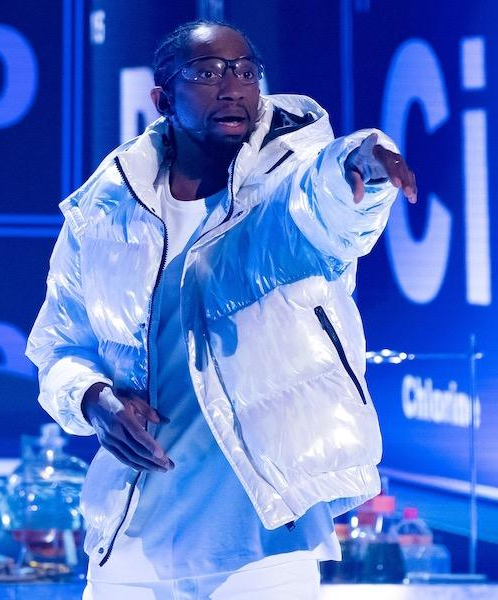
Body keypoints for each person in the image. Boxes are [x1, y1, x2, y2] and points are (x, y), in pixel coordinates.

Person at [26, 20, 416, 600]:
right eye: (207, 73)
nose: (232, 87)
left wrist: (356, 168)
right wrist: (92, 399)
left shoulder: (284, 185)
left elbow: (325, 205)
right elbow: (59, 347)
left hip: (264, 546)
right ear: (161, 98)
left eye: (245, 72)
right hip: (131, 541)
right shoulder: (104, 211)